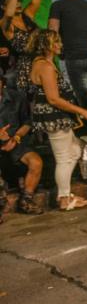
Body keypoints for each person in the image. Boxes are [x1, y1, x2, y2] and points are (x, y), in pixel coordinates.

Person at [28, 29, 87, 211]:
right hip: (55, 117)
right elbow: (53, 99)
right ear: (47, 45)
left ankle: (64, 195)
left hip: (56, 117)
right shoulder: (45, 66)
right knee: (64, 158)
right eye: (56, 42)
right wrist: (83, 111)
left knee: (75, 150)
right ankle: (64, 199)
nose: (60, 45)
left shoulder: (45, 63)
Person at [0, 74, 44, 220]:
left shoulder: (16, 98)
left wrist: (16, 137)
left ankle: (26, 199)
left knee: (36, 162)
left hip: (16, 142)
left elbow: (27, 122)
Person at [1, 0, 44, 91]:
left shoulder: (28, 15)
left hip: (42, 62)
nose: (18, 4)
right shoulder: (5, 25)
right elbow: (8, 15)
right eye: (12, 2)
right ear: (3, 7)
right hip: (26, 69)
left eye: (18, 1)